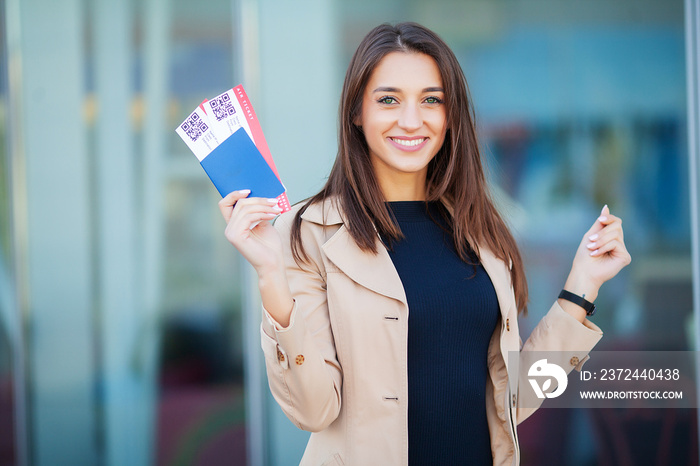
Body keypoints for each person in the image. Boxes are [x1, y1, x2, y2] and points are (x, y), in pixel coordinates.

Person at [218, 22, 631, 466]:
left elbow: (510, 404)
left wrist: (581, 287)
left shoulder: (480, 230)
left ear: (450, 114)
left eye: (431, 100)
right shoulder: (307, 233)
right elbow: (314, 410)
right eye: (389, 100)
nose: (412, 120)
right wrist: (270, 277)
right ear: (357, 112)